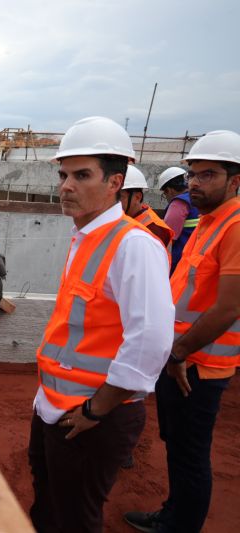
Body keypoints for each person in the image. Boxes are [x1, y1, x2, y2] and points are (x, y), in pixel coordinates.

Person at [28, 116, 174, 533]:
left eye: (82, 175)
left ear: (115, 182)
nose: (66, 185)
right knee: (49, 507)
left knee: (76, 519)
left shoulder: (134, 245)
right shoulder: (85, 237)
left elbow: (151, 340)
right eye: (63, 174)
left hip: (92, 418)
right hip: (57, 407)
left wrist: (97, 409)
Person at [125, 130, 240, 533]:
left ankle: (181, 525)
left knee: (191, 453)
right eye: (193, 174)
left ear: (235, 180)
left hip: (200, 366)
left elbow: (229, 306)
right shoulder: (210, 221)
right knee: (177, 446)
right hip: (182, 358)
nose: (194, 183)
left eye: (208, 175)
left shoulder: (235, 227)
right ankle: (173, 513)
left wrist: (178, 353)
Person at [121, 165, 175, 247]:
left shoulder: (155, 229)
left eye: (120, 197)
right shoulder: (124, 218)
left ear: (137, 197)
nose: (113, 202)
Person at [158, 167, 199, 273]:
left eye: (165, 194)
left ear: (169, 190)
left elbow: (168, 236)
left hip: (180, 260)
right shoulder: (198, 199)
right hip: (196, 256)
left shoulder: (179, 203)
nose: (166, 197)